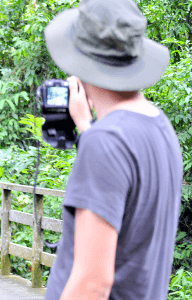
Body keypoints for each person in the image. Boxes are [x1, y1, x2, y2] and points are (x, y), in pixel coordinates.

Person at [43, 0, 183, 299]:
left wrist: (93, 135)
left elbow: (93, 284)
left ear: (80, 61)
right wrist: (86, 126)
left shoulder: (105, 142)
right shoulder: (159, 125)